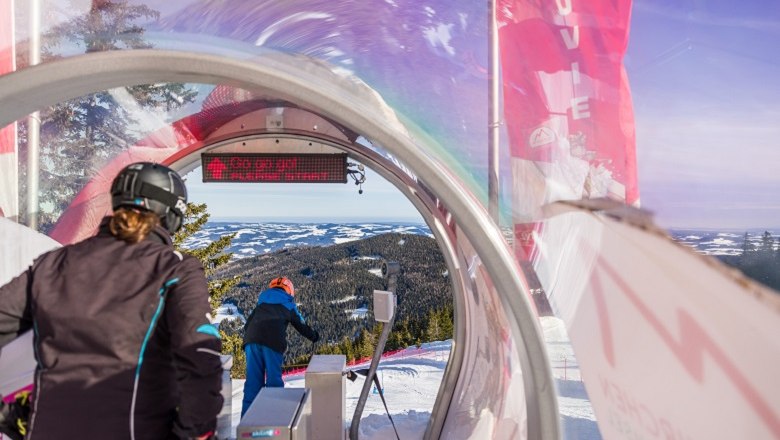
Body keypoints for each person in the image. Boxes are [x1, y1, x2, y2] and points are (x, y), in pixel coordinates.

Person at [0, 162, 223, 440]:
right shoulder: (173, 269)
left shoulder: (53, 265)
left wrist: (9, 416)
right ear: (171, 214)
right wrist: (194, 432)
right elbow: (200, 354)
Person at [241, 276, 319, 416]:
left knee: (252, 384)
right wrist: (314, 336)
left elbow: (248, 324)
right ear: (289, 290)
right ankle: (274, 421)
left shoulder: (261, 301)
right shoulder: (289, 303)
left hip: (251, 342)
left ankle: (247, 427)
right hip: (272, 343)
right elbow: (301, 325)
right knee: (273, 382)